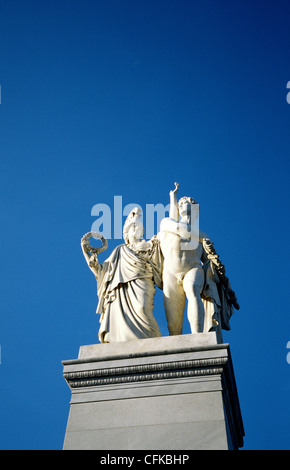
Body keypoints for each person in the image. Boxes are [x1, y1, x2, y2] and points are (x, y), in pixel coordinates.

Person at [159, 183, 239, 336]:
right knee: (173, 325)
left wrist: (227, 288)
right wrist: (172, 197)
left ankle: (198, 337)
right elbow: (180, 229)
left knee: (193, 290)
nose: (182, 205)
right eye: (180, 203)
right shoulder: (167, 223)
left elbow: (212, 263)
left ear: (194, 208)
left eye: (186, 202)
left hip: (193, 269)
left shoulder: (203, 237)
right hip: (170, 272)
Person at [81, 208, 163, 343]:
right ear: (127, 233)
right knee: (119, 315)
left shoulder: (150, 244)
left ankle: (153, 342)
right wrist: (86, 253)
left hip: (143, 281)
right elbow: (102, 273)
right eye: (133, 226)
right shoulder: (120, 250)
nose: (136, 229)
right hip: (120, 289)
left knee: (142, 308)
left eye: (139, 227)